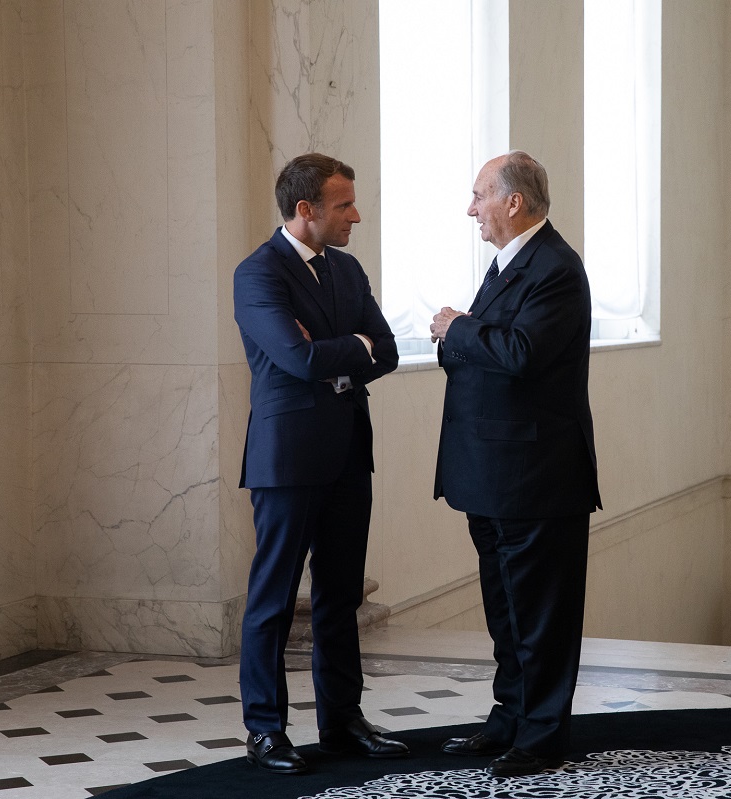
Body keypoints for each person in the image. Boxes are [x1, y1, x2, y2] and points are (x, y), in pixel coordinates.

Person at [430, 150, 602, 778]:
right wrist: (461, 337)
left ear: (513, 203)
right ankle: (509, 718)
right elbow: (489, 352)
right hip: (492, 474)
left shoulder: (554, 266)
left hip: (538, 477)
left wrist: (456, 327)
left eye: (479, 195)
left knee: (541, 616)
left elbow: (522, 353)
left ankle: (542, 736)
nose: (470, 208)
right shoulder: (506, 265)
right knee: (506, 612)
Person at [233, 153, 406, 774]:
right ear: (305, 210)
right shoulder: (258, 275)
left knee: (339, 596)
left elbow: (384, 350)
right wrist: (349, 349)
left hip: (347, 454)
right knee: (274, 598)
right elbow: (295, 361)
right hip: (288, 459)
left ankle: (341, 721)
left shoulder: (348, 269)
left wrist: (344, 349)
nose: (356, 216)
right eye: (344, 205)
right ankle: (264, 730)